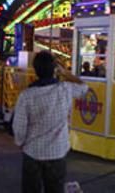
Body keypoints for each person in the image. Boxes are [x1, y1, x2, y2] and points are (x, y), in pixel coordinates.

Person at [13, 51, 88, 193]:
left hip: (33, 151)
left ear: (35, 70)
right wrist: (65, 73)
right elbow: (84, 87)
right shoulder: (65, 89)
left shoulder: (27, 95)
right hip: (57, 152)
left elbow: (19, 126)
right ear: (54, 69)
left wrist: (20, 142)